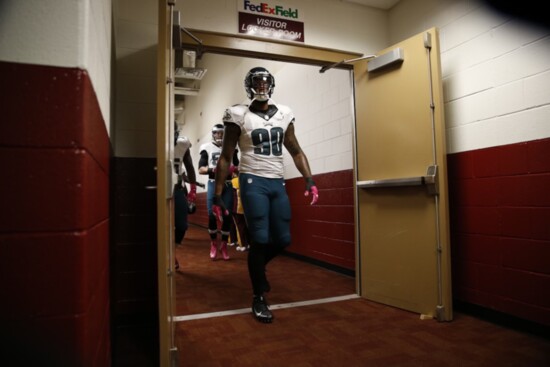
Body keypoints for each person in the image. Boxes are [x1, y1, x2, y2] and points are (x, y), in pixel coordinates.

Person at [212, 67, 319, 323]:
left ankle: (258, 269)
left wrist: (309, 179)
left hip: (277, 182)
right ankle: (258, 296)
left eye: (265, 83)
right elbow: (226, 157)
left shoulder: (284, 113)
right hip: (252, 181)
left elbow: (295, 150)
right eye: (257, 83)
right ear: (249, 86)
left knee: (282, 239)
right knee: (260, 239)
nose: (261, 87)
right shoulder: (238, 114)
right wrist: (217, 194)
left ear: (271, 85)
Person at [198, 124, 239, 260]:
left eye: (222, 133)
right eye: (217, 133)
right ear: (213, 134)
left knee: (227, 215)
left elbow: (238, 167)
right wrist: (215, 170)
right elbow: (201, 169)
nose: (220, 135)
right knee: (211, 215)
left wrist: (234, 169)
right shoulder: (206, 147)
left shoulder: (232, 147)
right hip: (213, 183)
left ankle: (224, 245)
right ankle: (214, 243)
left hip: (227, 184)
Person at [173, 126, 197, 270]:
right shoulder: (155, 143)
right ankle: (167, 254)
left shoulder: (182, 144)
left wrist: (193, 190)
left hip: (177, 189)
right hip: (161, 189)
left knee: (182, 226)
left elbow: (189, 166)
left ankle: (172, 251)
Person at [231, 171, 250, 252]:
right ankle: (248, 244)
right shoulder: (244, 180)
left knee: (239, 227)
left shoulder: (232, 182)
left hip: (236, 207)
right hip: (246, 207)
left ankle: (242, 245)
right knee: (246, 226)